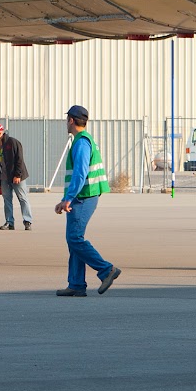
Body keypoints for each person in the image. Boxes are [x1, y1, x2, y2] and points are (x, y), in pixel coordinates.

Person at [53, 105, 119, 296]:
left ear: (71, 120)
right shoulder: (83, 140)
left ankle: (106, 270)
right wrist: (66, 199)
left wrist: (68, 198)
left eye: (67, 119)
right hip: (82, 196)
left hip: (84, 197)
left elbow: (80, 174)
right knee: (74, 240)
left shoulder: (81, 142)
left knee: (74, 238)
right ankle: (76, 284)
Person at [0, 123, 32, 231]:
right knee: (7, 200)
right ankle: (9, 222)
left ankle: (27, 221)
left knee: (22, 198)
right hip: (4, 178)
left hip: (17, 177)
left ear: (0, 133)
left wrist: (17, 175)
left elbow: (19, 159)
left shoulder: (12, 142)